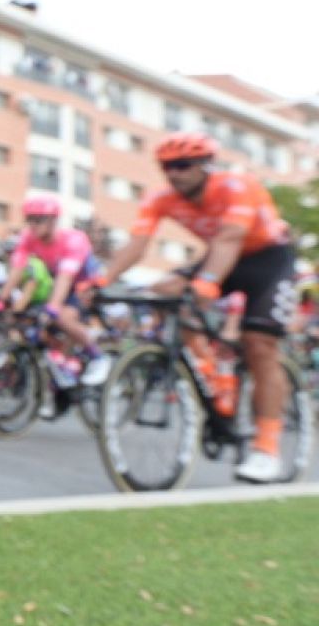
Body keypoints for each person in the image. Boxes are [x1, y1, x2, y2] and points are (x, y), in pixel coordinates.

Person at [101, 132, 297, 483]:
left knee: (259, 345)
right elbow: (137, 244)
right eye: (166, 167)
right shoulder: (160, 198)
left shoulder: (237, 186)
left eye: (182, 165)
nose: (173, 174)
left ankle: (266, 447)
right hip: (219, 257)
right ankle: (209, 372)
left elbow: (229, 238)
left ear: (205, 165)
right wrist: (100, 282)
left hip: (267, 260)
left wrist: (207, 282)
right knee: (163, 289)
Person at [0, 196, 110, 385]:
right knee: (32, 320)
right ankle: (60, 362)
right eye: (29, 219)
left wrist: (54, 307)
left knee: (61, 316)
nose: (32, 224)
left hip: (86, 283)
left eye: (38, 219)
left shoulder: (73, 240)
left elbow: (66, 278)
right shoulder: (28, 238)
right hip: (61, 282)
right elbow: (16, 270)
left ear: (53, 221)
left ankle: (98, 357)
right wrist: (1, 299)